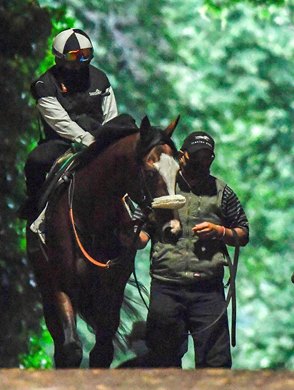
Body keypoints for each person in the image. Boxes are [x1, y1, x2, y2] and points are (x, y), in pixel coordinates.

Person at [137, 131, 249, 368]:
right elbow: (144, 232)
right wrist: (133, 236)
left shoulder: (222, 192)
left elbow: (243, 232)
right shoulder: (161, 186)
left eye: (207, 157)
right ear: (182, 156)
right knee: (162, 363)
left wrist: (220, 232)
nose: (202, 162)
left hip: (207, 290)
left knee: (215, 365)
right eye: (196, 156)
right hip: (167, 285)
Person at [19, 28, 118, 219]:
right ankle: (36, 210)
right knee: (35, 161)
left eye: (86, 54)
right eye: (75, 56)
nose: (82, 60)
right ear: (59, 57)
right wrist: (86, 140)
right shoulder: (44, 85)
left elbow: (111, 114)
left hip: (99, 138)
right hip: (60, 141)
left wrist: (109, 139)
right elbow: (60, 121)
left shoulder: (100, 78)